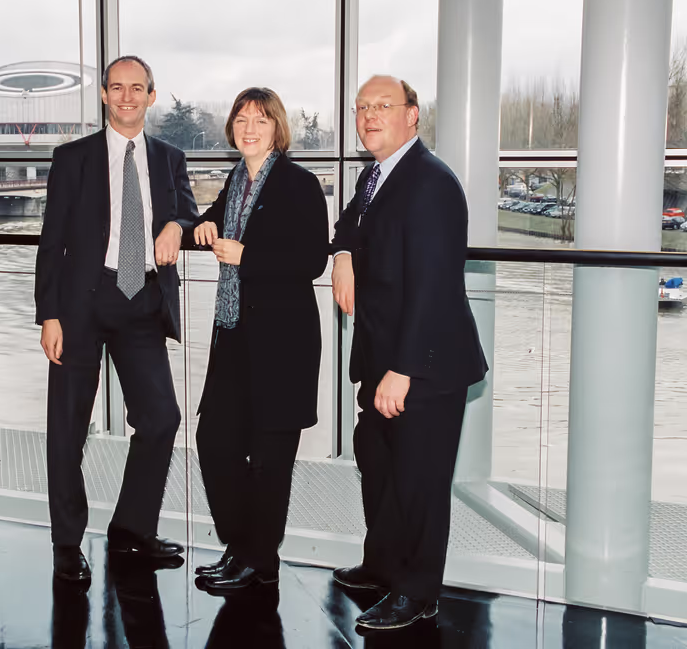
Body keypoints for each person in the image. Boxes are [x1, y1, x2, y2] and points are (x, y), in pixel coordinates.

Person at [329, 75, 487, 629]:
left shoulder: (430, 182)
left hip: (424, 364)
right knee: (378, 464)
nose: (370, 116)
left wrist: (402, 370)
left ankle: (417, 593)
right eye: (362, 107)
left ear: (412, 114)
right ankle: (383, 565)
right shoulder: (377, 176)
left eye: (383, 106)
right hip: (382, 359)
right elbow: (350, 223)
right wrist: (344, 253)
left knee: (419, 480)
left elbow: (434, 286)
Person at [35, 55, 199, 583]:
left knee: (162, 419)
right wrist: (49, 315)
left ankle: (131, 530)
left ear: (152, 95)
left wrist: (176, 223)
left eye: (138, 88)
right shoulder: (73, 158)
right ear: (104, 95)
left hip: (143, 302)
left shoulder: (170, 158)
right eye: (117, 88)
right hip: (82, 305)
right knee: (66, 429)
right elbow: (51, 242)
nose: (127, 97)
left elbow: (189, 211)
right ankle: (66, 544)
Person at [191, 88, 329, 594]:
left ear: (277, 129)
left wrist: (247, 257)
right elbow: (208, 220)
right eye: (242, 119)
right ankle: (241, 544)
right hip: (233, 338)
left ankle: (260, 560)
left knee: (270, 461)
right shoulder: (235, 181)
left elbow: (313, 260)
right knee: (215, 443)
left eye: (261, 120)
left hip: (282, 346)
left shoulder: (299, 183)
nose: (250, 128)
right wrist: (197, 225)